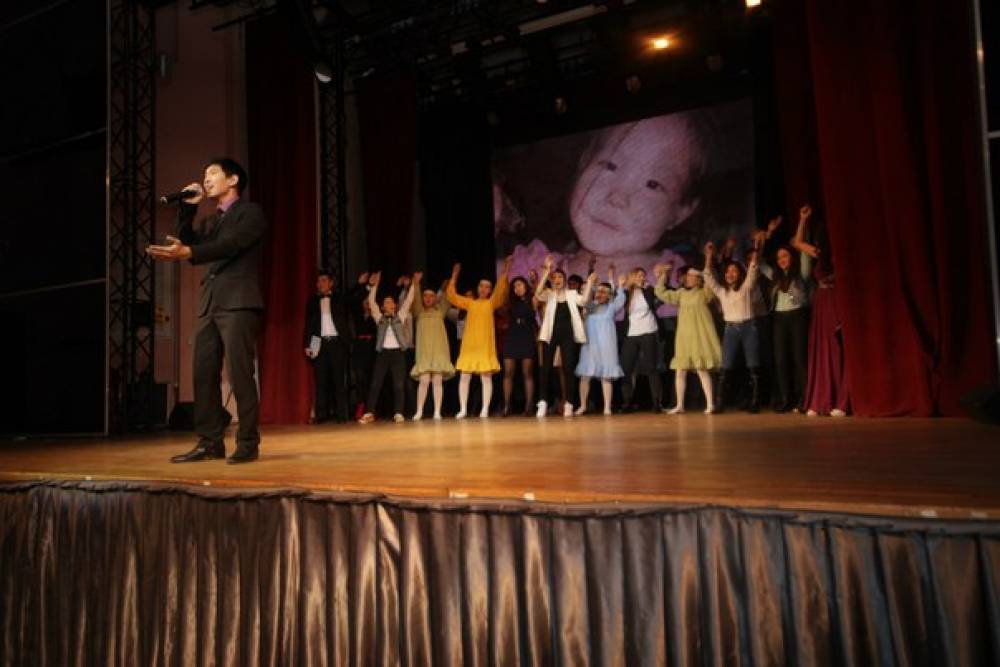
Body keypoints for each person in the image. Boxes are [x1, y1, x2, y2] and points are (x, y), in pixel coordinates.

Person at [147, 158, 266, 463]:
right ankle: (210, 442)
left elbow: (231, 245)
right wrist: (188, 208)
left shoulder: (250, 213)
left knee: (240, 373)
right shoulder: (212, 221)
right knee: (203, 371)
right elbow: (189, 247)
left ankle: (248, 442)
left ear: (233, 179)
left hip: (238, 301)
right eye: (205, 174)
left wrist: (189, 250)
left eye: (213, 173)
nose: (206, 178)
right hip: (209, 302)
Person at [792, 206, 850, 417]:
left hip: (837, 300)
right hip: (822, 302)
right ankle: (821, 399)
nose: (816, 241)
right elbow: (797, 242)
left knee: (837, 349)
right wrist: (802, 219)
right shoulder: (819, 253)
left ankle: (841, 401)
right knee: (823, 350)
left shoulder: (839, 255)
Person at [760, 206, 814, 412]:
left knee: (799, 358)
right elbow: (759, 263)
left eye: (785, 256)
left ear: (791, 257)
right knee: (781, 360)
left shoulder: (801, 274)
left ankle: (804, 398)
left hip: (798, 315)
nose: (782, 259)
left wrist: (802, 220)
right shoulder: (775, 276)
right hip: (779, 319)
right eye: (779, 257)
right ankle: (786, 399)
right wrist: (768, 234)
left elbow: (803, 251)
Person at [446, 258, 511, 419]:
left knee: (486, 378)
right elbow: (452, 296)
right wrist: (454, 276)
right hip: (469, 346)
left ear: (490, 290)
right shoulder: (470, 303)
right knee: (464, 377)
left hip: (484, 346)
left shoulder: (491, 303)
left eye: (487, 287)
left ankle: (485, 409)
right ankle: (463, 409)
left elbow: (501, 291)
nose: (483, 289)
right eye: (481, 286)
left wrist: (505, 270)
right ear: (477, 288)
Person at [702, 240, 762, 412]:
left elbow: (752, 269)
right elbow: (707, 276)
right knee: (726, 366)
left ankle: (755, 402)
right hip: (731, 330)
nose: (730, 273)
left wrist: (756, 247)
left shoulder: (746, 288)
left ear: (740, 274)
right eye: (728, 271)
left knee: (753, 365)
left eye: (734, 271)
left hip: (748, 328)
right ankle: (720, 403)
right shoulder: (722, 292)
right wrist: (708, 256)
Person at [654, 263, 721, 413]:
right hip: (684, 337)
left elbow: (711, 282)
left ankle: (710, 404)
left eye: (692, 276)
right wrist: (663, 275)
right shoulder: (681, 293)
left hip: (699, 336)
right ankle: (680, 405)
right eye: (688, 276)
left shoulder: (704, 293)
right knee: (680, 370)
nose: (688, 278)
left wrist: (708, 264)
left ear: (699, 280)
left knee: (701, 369)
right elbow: (661, 293)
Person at [534, 255, 596, 417]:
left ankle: (569, 403)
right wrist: (546, 272)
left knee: (568, 368)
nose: (557, 280)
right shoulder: (549, 294)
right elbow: (538, 293)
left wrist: (589, 283)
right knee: (545, 368)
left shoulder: (572, 294)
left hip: (568, 336)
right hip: (550, 335)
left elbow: (584, 301)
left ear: (565, 280)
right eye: (555, 277)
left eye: (560, 277)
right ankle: (542, 402)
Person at [358, 272, 415, 424]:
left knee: (398, 384)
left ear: (395, 305)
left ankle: (398, 412)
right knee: (375, 383)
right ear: (383, 307)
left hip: (398, 354)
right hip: (382, 354)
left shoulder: (400, 316)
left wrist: (413, 284)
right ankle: (369, 412)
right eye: (386, 303)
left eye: (391, 302)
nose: (389, 304)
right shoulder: (379, 318)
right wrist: (375, 285)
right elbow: (371, 301)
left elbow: (409, 300)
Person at [575, 267, 627, 415]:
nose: (600, 294)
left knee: (606, 376)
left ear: (609, 295)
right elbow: (584, 312)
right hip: (590, 346)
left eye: (604, 292)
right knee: (585, 375)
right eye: (599, 291)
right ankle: (583, 405)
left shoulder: (612, 307)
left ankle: (607, 407)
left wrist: (620, 285)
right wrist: (591, 284)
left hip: (606, 347)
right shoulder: (592, 306)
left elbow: (620, 299)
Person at [303, 269, 351, 423]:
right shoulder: (312, 301)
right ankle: (321, 415)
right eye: (319, 281)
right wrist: (307, 345)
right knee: (321, 381)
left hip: (337, 342)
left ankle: (341, 415)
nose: (321, 284)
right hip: (318, 342)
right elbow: (309, 325)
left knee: (338, 380)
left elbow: (353, 298)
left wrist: (366, 286)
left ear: (331, 283)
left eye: (324, 280)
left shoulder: (339, 298)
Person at [409, 272, 456, 420]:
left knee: (437, 381)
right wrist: (416, 283)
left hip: (439, 351)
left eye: (431, 296)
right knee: (424, 381)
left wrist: (453, 278)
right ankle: (419, 411)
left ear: (435, 298)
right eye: (426, 296)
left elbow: (448, 297)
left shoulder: (440, 311)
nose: (428, 298)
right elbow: (415, 299)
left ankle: (437, 411)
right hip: (424, 352)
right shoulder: (419, 312)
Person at [619, 267, 664, 412]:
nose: (641, 278)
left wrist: (648, 287)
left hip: (648, 331)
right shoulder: (627, 293)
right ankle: (627, 402)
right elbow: (616, 302)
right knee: (626, 368)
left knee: (651, 367)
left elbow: (654, 301)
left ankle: (657, 403)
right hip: (631, 333)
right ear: (632, 277)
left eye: (643, 275)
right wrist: (620, 285)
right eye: (638, 275)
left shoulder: (649, 290)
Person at [501, 276, 538, 416]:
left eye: (520, 285)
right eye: (515, 286)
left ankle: (529, 406)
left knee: (527, 372)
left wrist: (535, 281)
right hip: (512, 337)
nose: (517, 288)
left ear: (526, 286)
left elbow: (538, 292)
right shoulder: (510, 302)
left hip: (527, 336)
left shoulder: (532, 299)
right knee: (508, 372)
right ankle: (506, 406)